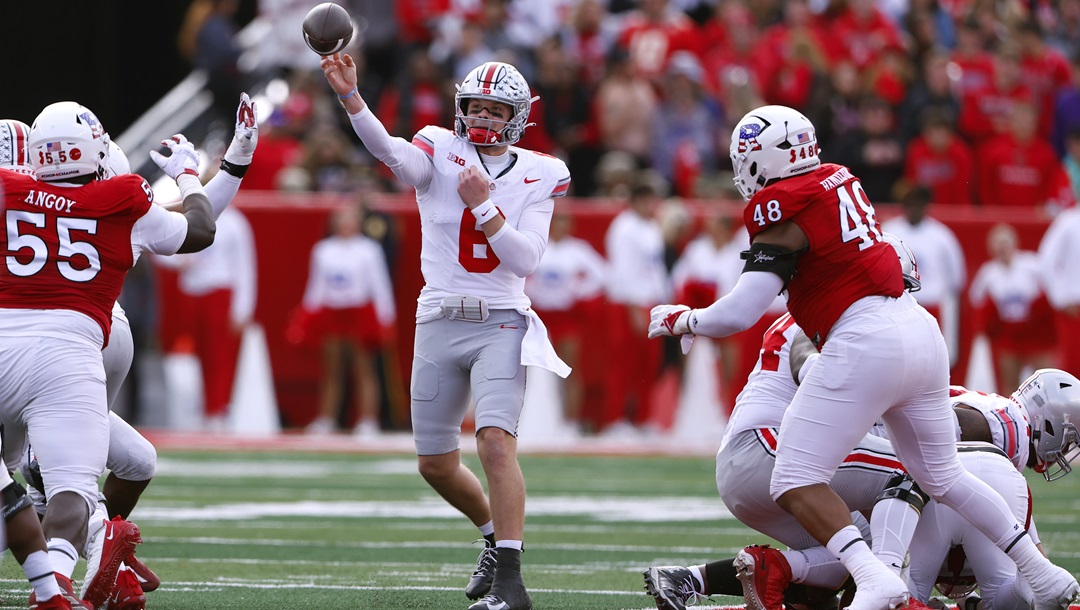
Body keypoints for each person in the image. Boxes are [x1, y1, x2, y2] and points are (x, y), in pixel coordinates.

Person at [647, 104, 1078, 610]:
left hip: (864, 339)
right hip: (919, 330)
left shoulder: (785, 206)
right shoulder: (838, 179)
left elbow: (740, 311)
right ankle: (1042, 572)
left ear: (762, 159)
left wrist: (684, 319)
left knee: (793, 477)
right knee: (944, 476)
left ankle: (876, 576)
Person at [320, 53, 571, 610]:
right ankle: (490, 537)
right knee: (434, 462)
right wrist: (352, 99)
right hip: (436, 316)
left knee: (494, 443)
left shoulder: (539, 170)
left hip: (502, 318)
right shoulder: (438, 146)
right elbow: (388, 152)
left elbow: (525, 258)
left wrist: (484, 208)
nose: (482, 116)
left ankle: (511, 583)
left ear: (518, 116)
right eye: (475, 105)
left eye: (494, 108)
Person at [7, 93, 259, 607]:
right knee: (71, 490)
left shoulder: (8, 189)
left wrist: (229, 163)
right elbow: (197, 227)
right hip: (68, 352)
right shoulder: (120, 197)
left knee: (122, 463)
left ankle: (80, 555)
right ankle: (69, 568)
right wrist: (193, 174)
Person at [155, 205, 257, 432]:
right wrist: (178, 261)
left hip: (220, 290)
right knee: (198, 353)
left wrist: (243, 307)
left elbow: (245, 265)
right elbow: (160, 244)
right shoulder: (189, 215)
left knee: (219, 354)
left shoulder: (234, 221)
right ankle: (205, 408)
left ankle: (218, 409)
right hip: (193, 291)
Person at [300, 202, 396, 437]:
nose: (345, 223)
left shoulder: (369, 249)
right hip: (332, 313)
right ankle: (327, 418)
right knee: (332, 370)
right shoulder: (323, 250)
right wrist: (306, 314)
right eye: (341, 218)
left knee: (364, 368)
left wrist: (386, 316)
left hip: (359, 313)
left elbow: (380, 285)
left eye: (350, 218)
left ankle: (368, 420)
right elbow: (316, 285)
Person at [968, 223, 1055, 395]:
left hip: (1034, 329)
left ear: (1014, 244)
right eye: (997, 245)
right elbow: (975, 297)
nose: (1002, 249)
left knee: (1045, 378)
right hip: (1009, 331)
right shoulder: (989, 272)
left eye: (1005, 243)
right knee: (1011, 381)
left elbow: (1051, 286)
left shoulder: (1031, 264)